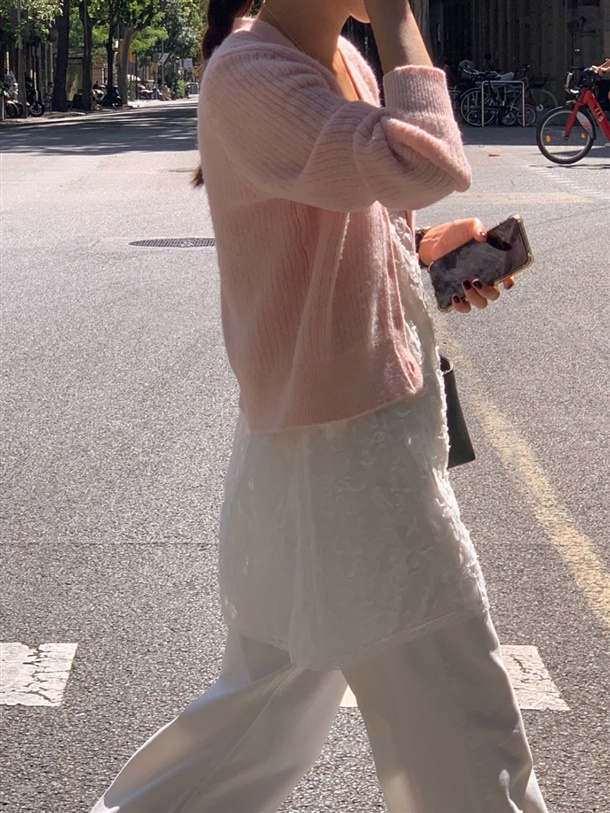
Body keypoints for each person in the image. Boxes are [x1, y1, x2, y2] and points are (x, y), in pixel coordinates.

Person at [89, 1, 549, 811]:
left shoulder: (341, 61)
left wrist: (428, 253)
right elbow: (432, 159)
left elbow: (355, 221)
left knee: (255, 726)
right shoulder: (251, 75)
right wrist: (398, 13)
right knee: (467, 732)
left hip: (327, 456)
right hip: (353, 468)